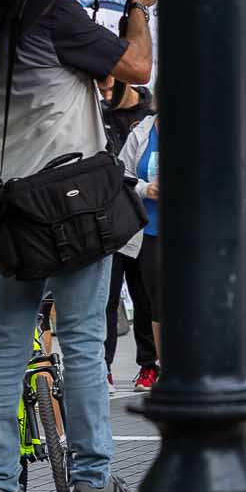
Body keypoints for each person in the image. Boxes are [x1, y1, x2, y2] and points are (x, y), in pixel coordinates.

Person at [0, 0, 150, 492]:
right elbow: (137, 68)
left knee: (8, 342)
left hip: (4, 208)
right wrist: (139, 6)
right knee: (81, 339)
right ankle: (93, 480)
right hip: (70, 207)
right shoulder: (56, 11)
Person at [99, 74, 158, 387]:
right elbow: (121, 173)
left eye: (109, 86)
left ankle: (149, 365)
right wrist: (147, 188)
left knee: (146, 297)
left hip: (145, 225)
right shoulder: (97, 112)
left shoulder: (148, 117)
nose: (104, 92)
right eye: (100, 87)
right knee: (107, 297)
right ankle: (103, 367)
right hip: (111, 220)